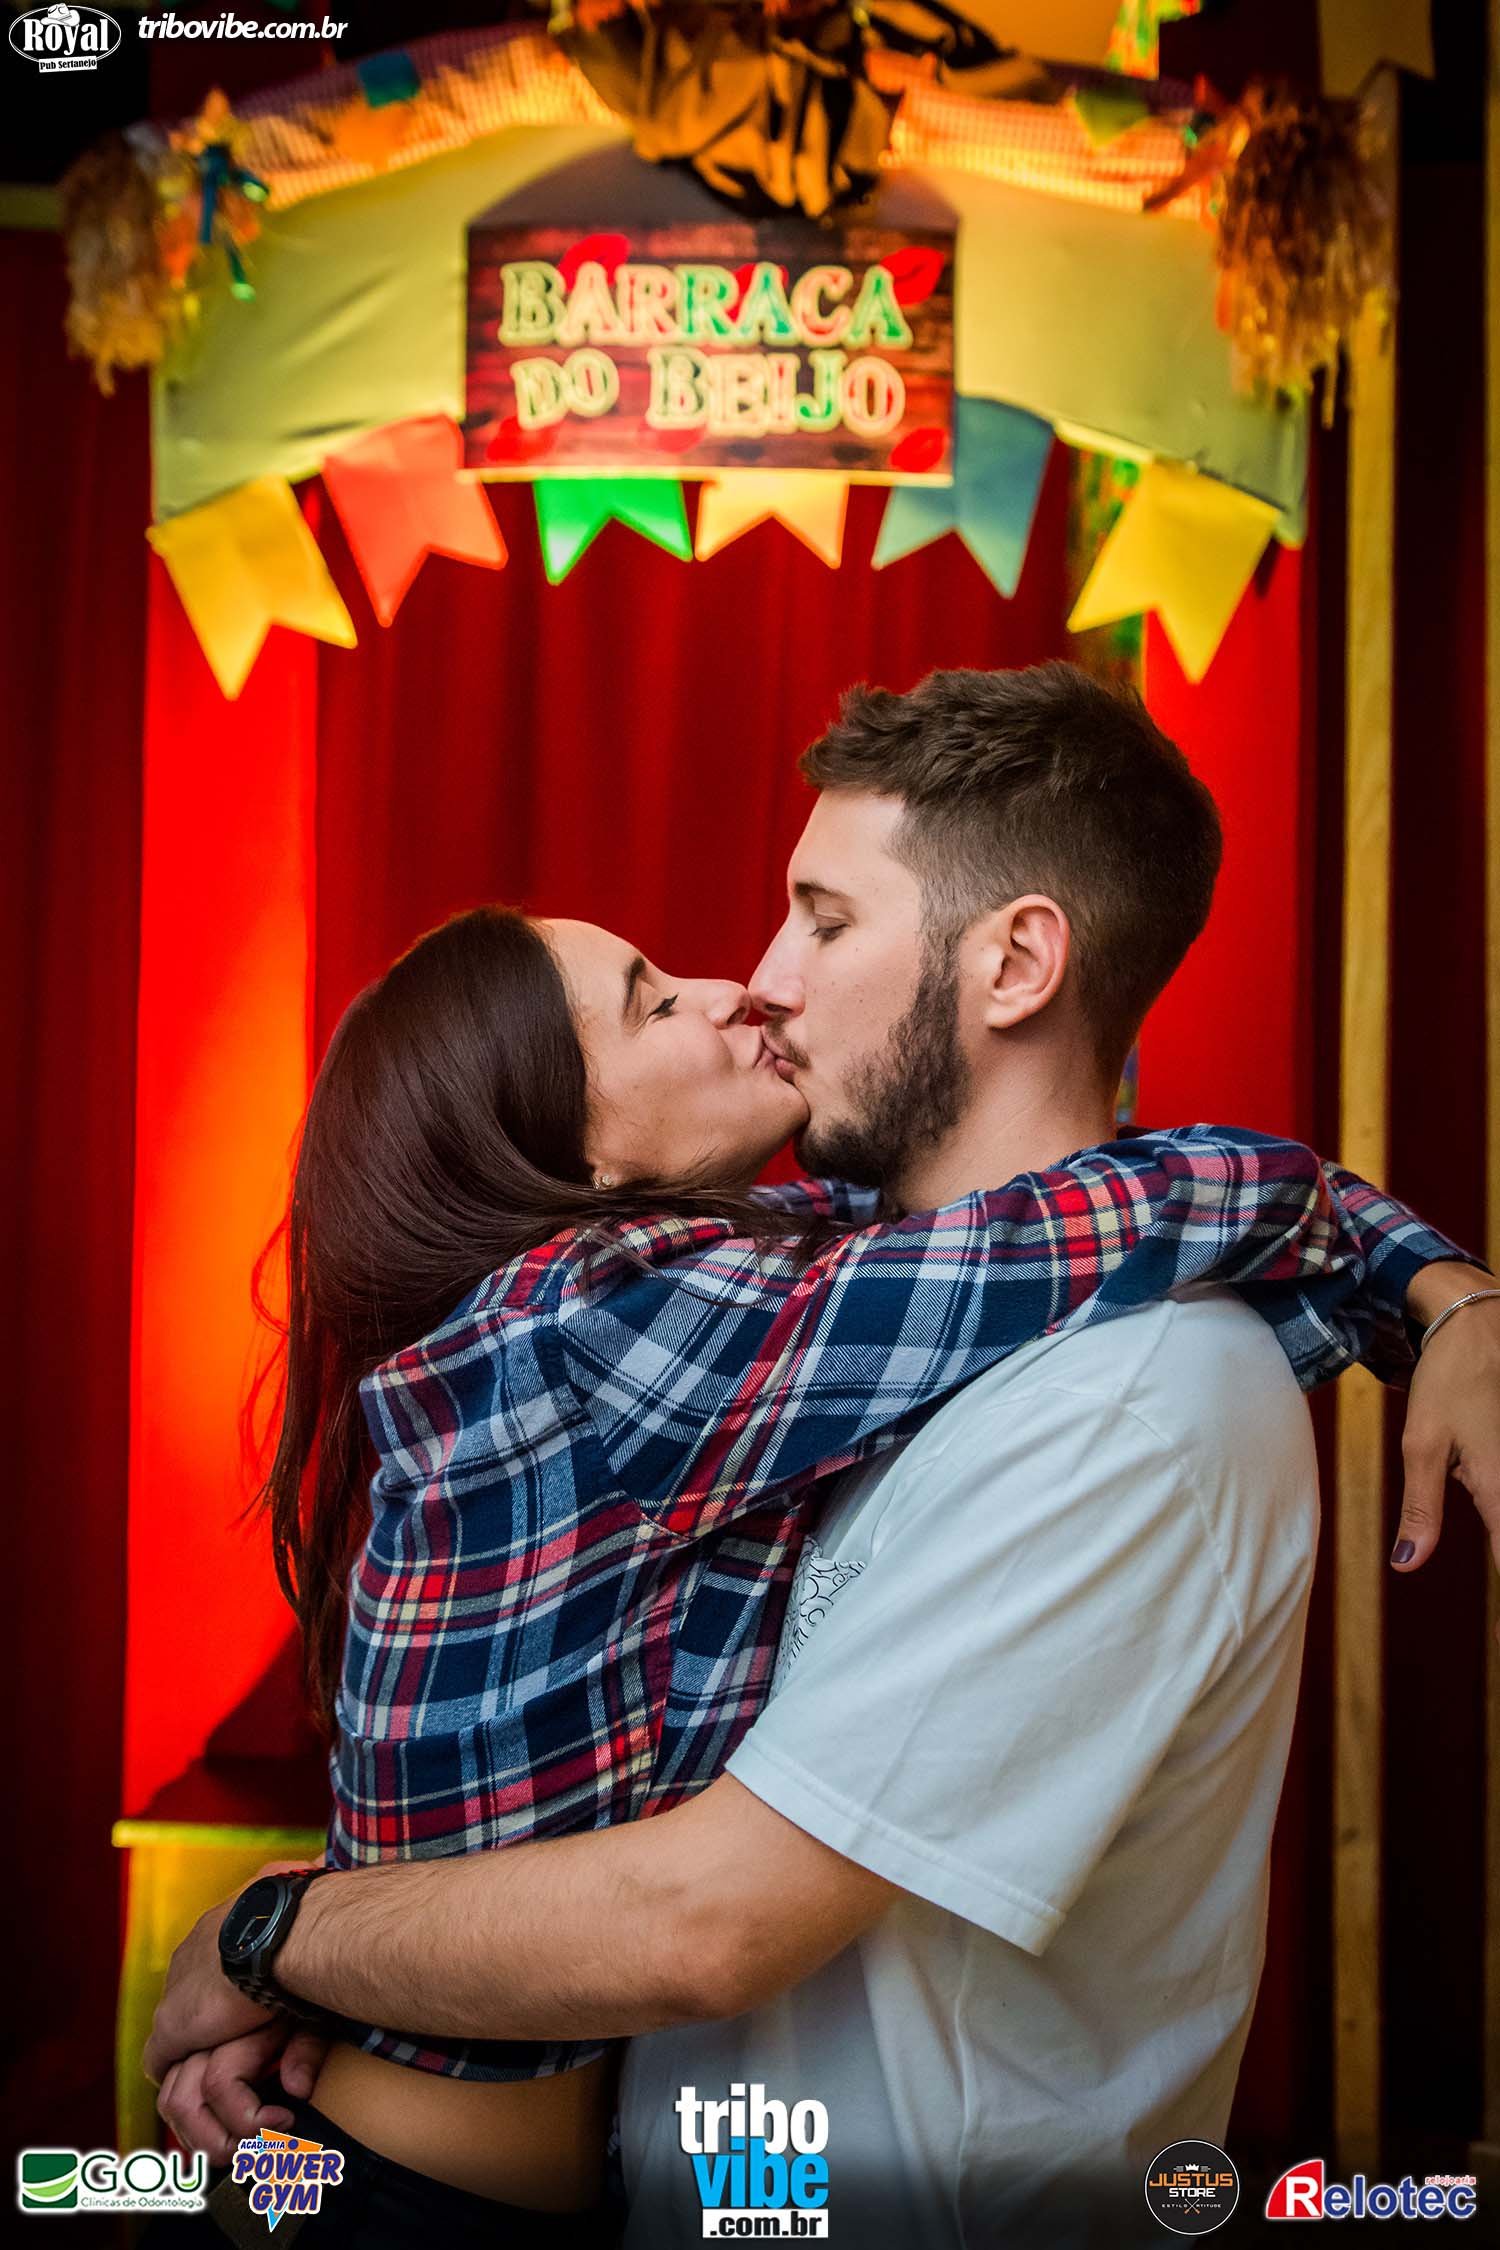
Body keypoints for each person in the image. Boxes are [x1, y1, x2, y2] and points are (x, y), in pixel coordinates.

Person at [147, 667, 1498, 2246]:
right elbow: (1095, 1221)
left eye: (826, 920)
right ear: (563, 1154)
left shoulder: (1096, 1383)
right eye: (655, 1000)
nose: (755, 981)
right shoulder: (638, 1317)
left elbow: (703, 1917)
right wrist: (1412, 1271)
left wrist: (275, 1937)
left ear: (1017, 962)